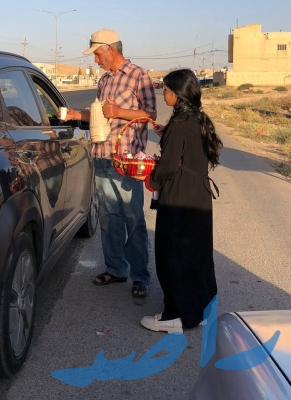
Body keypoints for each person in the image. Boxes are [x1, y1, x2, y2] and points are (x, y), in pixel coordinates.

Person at [62, 28, 157, 298]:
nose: (95, 60)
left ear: (111, 50)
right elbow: (99, 116)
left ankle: (140, 276)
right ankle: (116, 269)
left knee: (133, 219)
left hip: (126, 161)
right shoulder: (104, 81)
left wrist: (119, 111)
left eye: (98, 54)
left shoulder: (139, 75)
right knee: (108, 217)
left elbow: (150, 114)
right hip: (102, 156)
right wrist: (75, 114)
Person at [140, 68, 222, 334]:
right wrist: (167, 134)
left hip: (180, 194)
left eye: (166, 90)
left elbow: (167, 166)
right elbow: (186, 148)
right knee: (196, 252)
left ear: (177, 93)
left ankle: (176, 315)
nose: (163, 94)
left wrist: (152, 181)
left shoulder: (179, 123)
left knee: (173, 252)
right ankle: (201, 310)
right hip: (198, 193)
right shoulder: (196, 117)